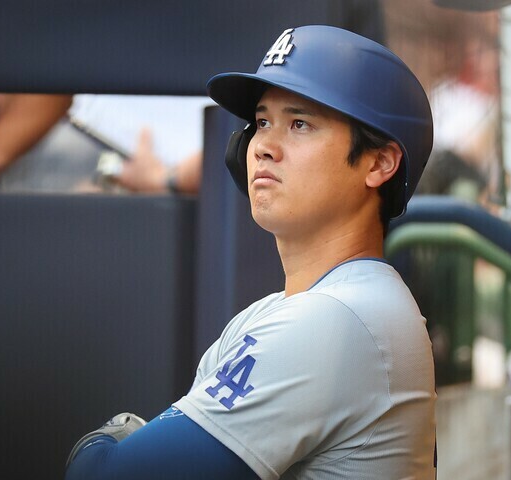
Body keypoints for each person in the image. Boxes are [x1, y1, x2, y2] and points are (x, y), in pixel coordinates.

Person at [65, 25, 436, 479]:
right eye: (262, 123)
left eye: (300, 124)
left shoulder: (337, 318)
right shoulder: (298, 309)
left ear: (379, 163)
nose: (264, 148)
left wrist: (105, 441)